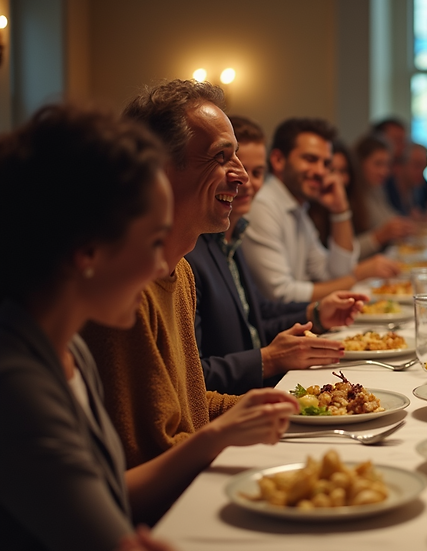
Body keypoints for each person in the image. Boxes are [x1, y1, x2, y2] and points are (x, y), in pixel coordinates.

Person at [0, 105, 296, 549]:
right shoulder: (17, 382)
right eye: (155, 241)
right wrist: (217, 435)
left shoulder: (68, 350)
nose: (164, 264)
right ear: (88, 252)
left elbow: (110, 493)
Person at [80, 80, 299, 473]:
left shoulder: (180, 270)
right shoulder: (126, 288)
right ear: (161, 168)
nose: (243, 177)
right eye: (221, 157)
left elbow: (191, 406)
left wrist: (291, 407)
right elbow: (148, 451)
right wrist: (231, 428)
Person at [186, 115, 368, 395]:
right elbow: (192, 377)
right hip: (238, 399)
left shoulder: (232, 236)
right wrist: (270, 359)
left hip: (258, 389)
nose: (245, 180)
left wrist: (317, 314)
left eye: (256, 172)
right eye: (310, 159)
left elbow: (258, 314)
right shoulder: (193, 250)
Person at [241, 118, 400, 303]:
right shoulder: (263, 204)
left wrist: (340, 210)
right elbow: (281, 293)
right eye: (310, 159)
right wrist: (358, 276)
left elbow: (333, 273)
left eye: (325, 163)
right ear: (278, 160)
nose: (321, 171)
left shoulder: (297, 207)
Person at [346, 133, 417, 256]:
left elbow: (390, 219)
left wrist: (403, 225)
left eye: (387, 165)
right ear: (359, 163)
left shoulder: (375, 189)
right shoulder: (348, 196)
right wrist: (379, 237)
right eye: (378, 164)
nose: (384, 171)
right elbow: (344, 252)